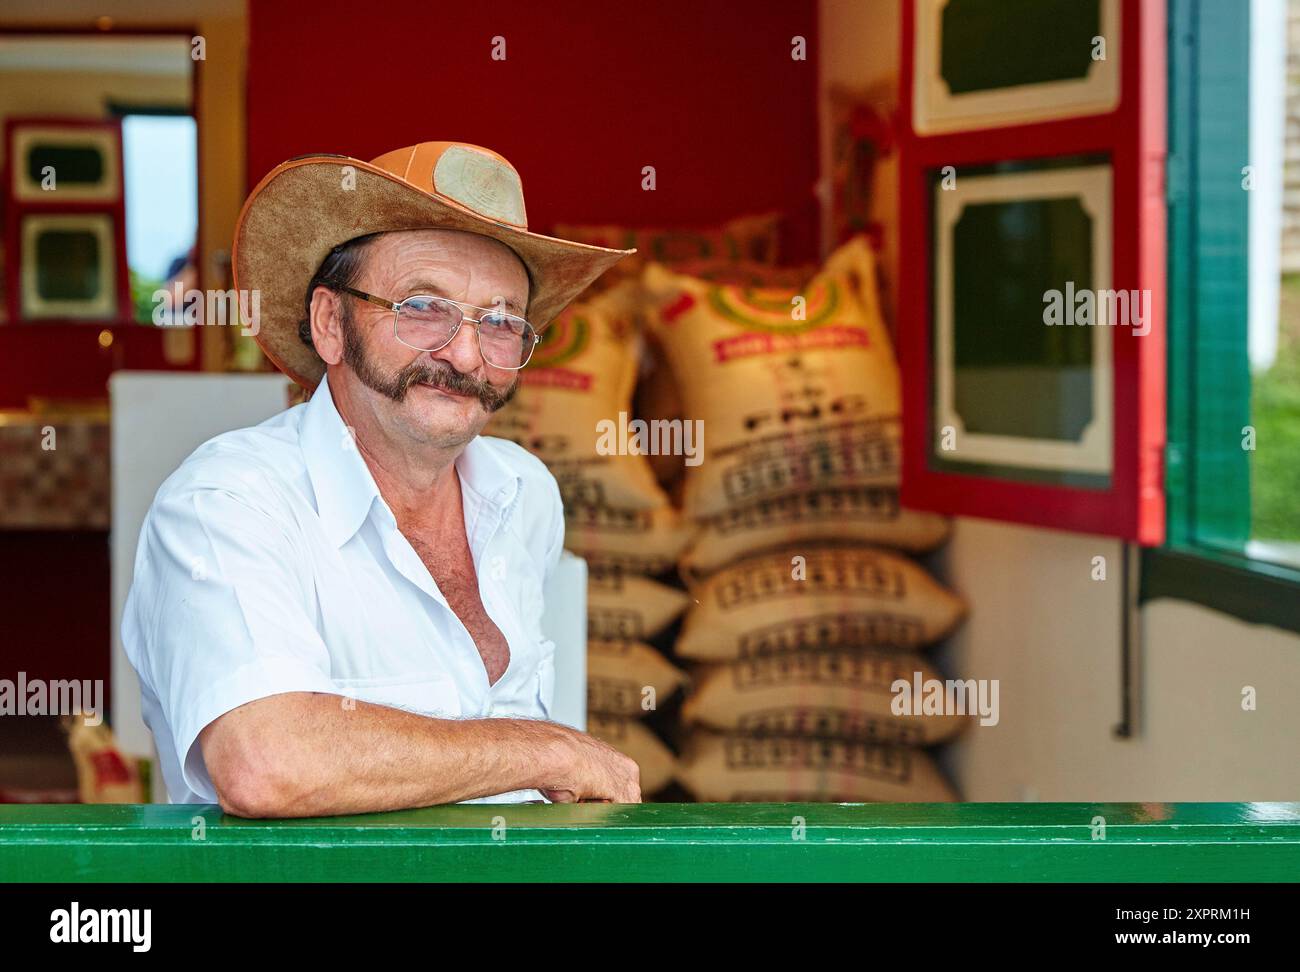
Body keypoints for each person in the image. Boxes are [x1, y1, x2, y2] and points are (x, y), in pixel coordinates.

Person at [122, 141, 642, 816]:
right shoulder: (228, 502)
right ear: (330, 324)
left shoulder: (525, 494)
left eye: (501, 322)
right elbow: (265, 763)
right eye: (422, 307)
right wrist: (545, 752)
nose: (464, 353)